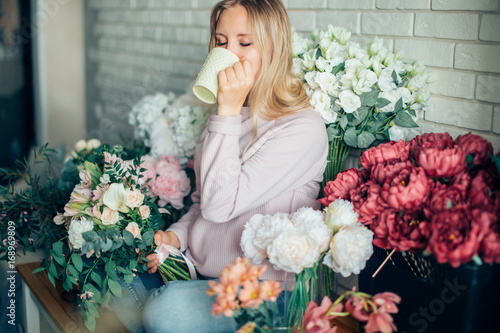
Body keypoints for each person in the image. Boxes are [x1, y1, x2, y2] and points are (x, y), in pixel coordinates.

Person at [112, 1, 328, 332]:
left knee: (165, 311)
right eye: (221, 42)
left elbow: (219, 206)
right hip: (198, 275)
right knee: (110, 276)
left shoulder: (302, 128)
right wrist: (175, 237)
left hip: (264, 294)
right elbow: (202, 202)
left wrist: (225, 113)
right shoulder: (224, 117)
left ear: (274, 47)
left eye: (244, 43)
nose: (230, 55)